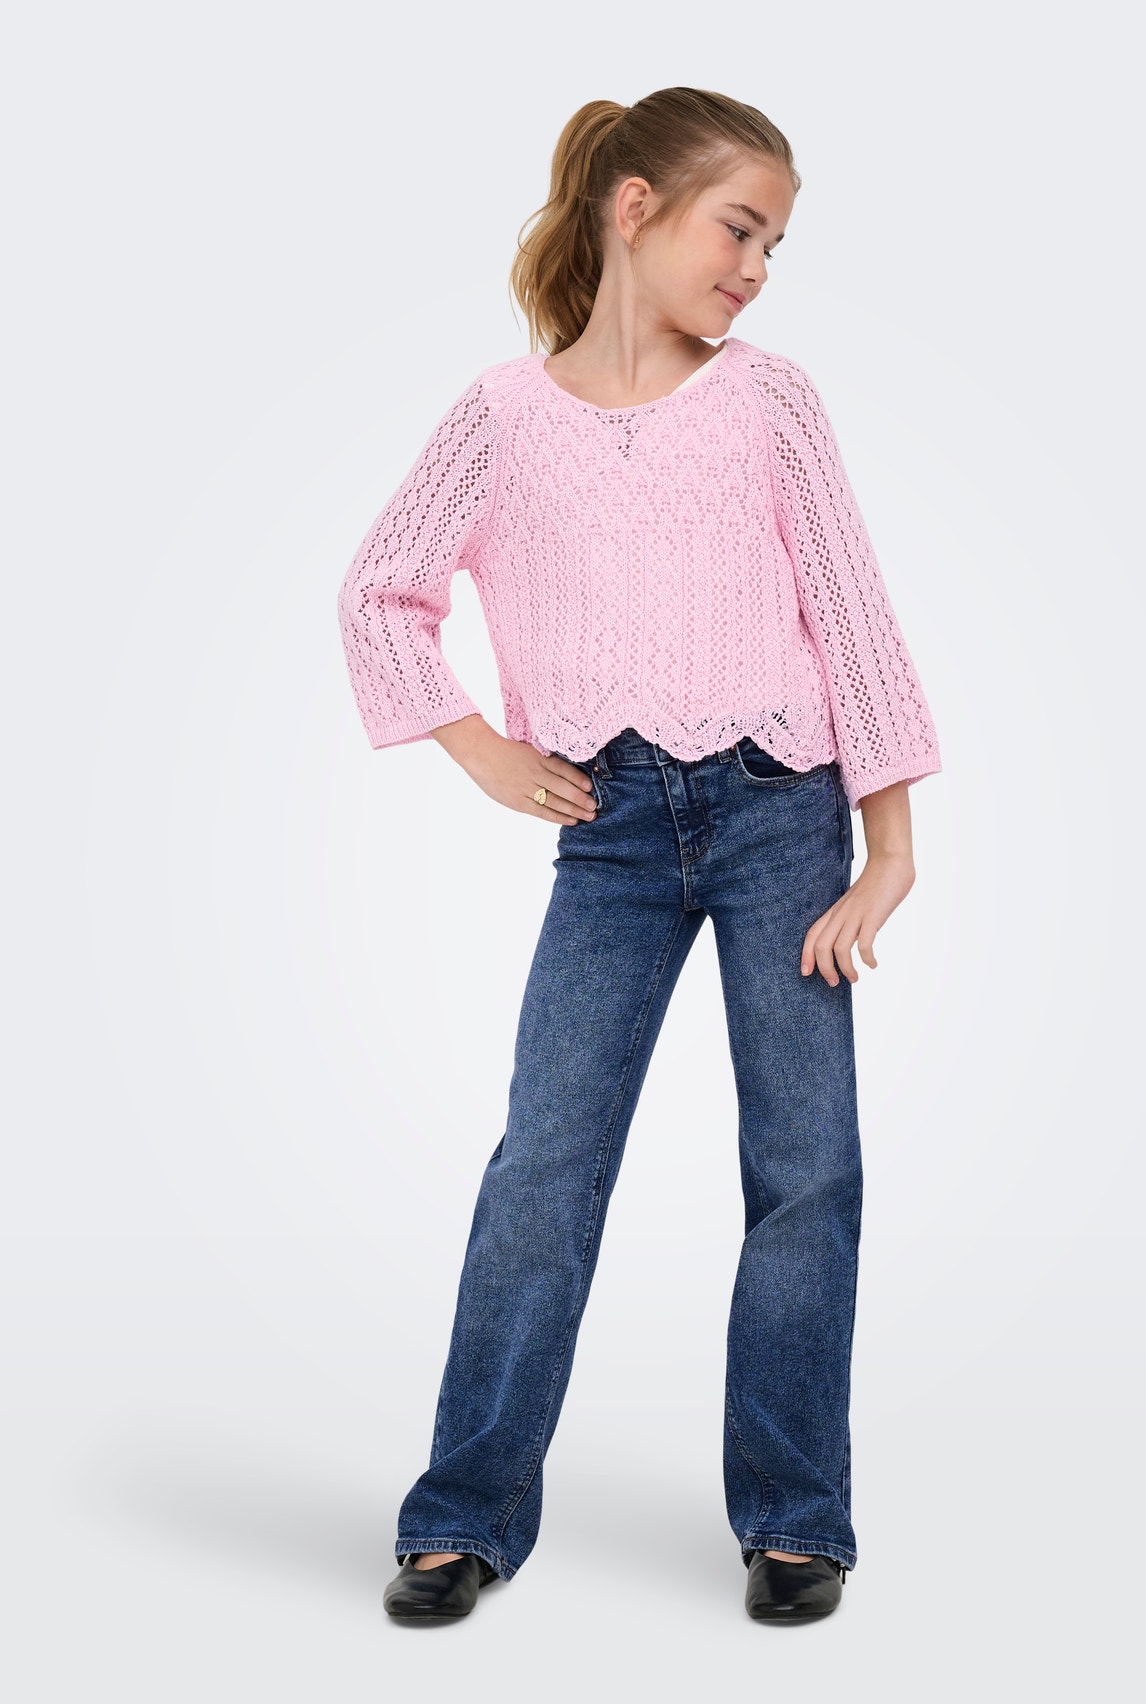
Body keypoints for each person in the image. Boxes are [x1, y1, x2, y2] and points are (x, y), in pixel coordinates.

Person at [336, 85, 942, 1626]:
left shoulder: (772, 401)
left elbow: (852, 611)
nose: (756, 268)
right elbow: (381, 592)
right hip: (607, 835)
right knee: (544, 1166)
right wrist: (481, 750)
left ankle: (797, 1518)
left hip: (781, 815)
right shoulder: (502, 418)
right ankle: (461, 1515)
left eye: (776, 246)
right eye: (740, 230)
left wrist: (888, 850)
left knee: (804, 1170)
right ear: (634, 208)